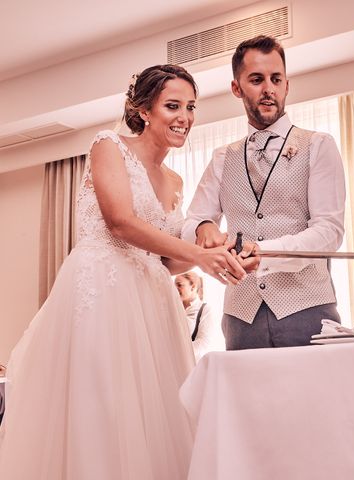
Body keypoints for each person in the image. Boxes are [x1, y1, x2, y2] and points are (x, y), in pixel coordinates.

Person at [0, 65, 251, 479]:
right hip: (103, 290)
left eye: (190, 107)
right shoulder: (109, 146)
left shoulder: (174, 180)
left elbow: (167, 261)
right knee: (102, 406)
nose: (184, 117)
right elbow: (121, 222)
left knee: (152, 415)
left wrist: (220, 253)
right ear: (144, 110)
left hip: (151, 305)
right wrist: (198, 252)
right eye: (172, 105)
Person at [182, 35, 346, 350]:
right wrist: (204, 228)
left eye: (276, 79)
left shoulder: (319, 145)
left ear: (286, 85)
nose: (268, 88)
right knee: (246, 400)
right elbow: (191, 222)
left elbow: (329, 231)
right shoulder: (221, 157)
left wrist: (265, 254)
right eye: (256, 80)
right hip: (240, 317)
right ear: (237, 88)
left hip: (307, 310)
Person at [175, 271, 223, 360]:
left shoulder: (205, 309)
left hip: (191, 363)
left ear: (193, 287)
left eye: (179, 285)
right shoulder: (173, 308)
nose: (175, 288)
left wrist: (179, 354)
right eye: (174, 285)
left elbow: (204, 342)